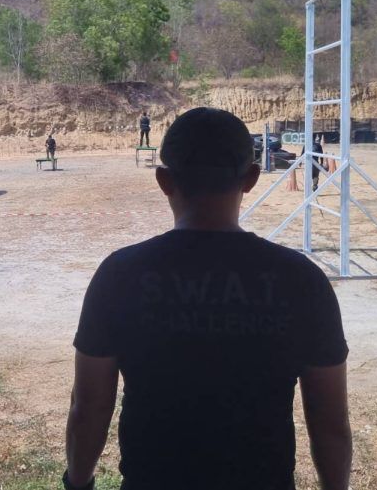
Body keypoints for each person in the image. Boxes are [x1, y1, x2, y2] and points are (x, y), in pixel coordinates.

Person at [65, 108, 351, 490]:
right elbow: (330, 423)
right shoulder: (302, 280)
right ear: (251, 178)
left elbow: (89, 408)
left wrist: (77, 483)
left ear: (164, 180)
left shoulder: (119, 275)